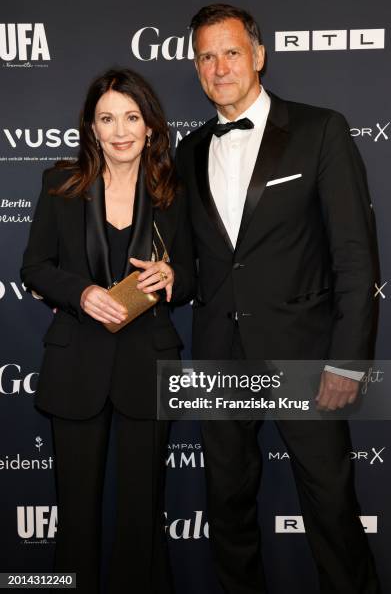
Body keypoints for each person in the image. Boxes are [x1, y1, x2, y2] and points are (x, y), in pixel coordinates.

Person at [175, 3, 382, 594]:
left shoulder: (321, 130)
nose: (219, 67)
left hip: (307, 355)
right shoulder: (189, 153)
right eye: (206, 56)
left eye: (231, 52)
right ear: (196, 68)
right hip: (219, 354)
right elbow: (200, 267)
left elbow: (355, 256)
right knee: (229, 510)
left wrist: (347, 359)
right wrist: (164, 280)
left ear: (259, 56)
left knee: (331, 509)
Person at [21, 68, 195, 594]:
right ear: (91, 127)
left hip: (148, 365)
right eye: (106, 118)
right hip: (76, 365)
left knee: (143, 516)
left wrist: (174, 276)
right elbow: (34, 268)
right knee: (75, 519)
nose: (120, 130)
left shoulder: (175, 191)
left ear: (150, 126)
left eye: (131, 117)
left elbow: (196, 272)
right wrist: (80, 293)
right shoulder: (61, 184)